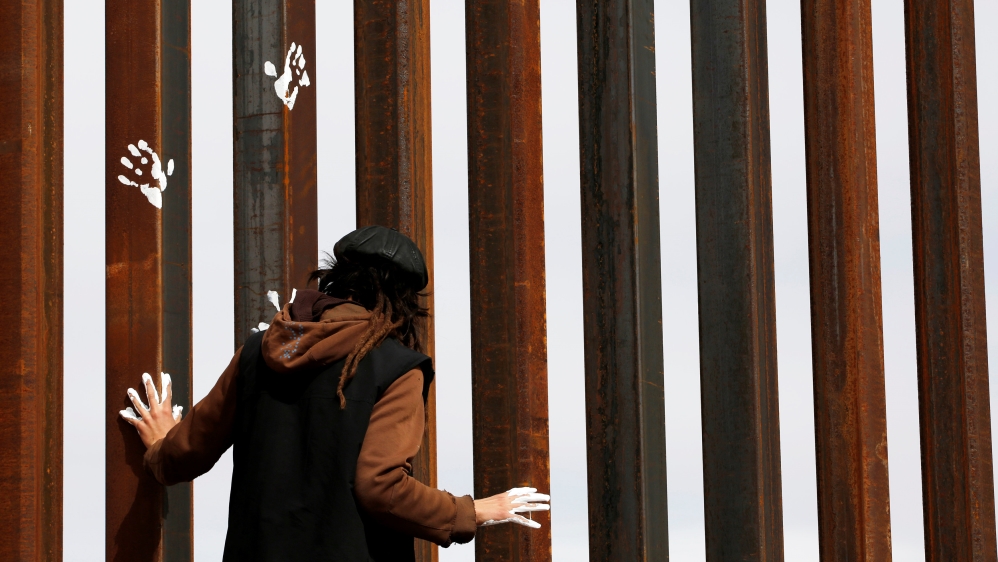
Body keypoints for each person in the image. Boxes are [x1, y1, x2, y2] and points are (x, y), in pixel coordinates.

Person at [120, 225, 550, 561]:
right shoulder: (397, 368)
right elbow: (379, 486)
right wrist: (471, 512)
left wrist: (160, 445)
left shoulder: (258, 352)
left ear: (335, 280)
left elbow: (184, 455)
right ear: (402, 302)